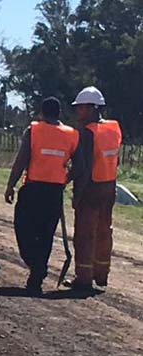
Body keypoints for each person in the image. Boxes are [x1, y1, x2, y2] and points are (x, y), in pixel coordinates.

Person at [3, 97, 78, 295]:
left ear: (42, 113)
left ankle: (36, 268)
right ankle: (38, 270)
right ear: (59, 113)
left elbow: (21, 160)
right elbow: (78, 165)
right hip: (54, 192)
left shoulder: (33, 131)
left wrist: (10, 185)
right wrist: (65, 179)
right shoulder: (71, 134)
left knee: (24, 229)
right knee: (45, 235)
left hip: (33, 190)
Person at [68, 87, 122, 292]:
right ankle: (101, 274)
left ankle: (83, 277)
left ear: (91, 108)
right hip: (109, 186)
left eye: (80, 108)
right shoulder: (114, 128)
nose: (78, 112)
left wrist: (74, 192)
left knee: (84, 235)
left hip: (91, 188)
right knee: (104, 232)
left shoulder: (87, 133)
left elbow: (82, 167)